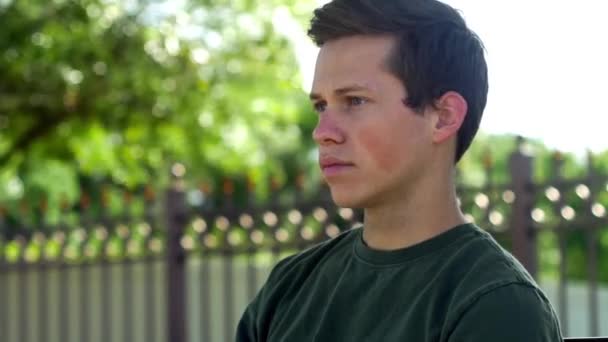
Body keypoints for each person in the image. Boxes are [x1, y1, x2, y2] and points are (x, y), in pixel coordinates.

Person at [236, 0, 563, 341]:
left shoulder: (496, 304)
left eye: (354, 101)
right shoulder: (289, 287)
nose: (323, 132)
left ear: (444, 116)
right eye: (321, 106)